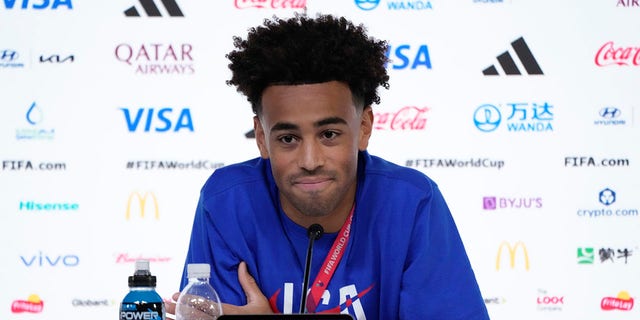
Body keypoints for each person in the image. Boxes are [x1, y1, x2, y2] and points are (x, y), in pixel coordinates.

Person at [166, 13, 490, 319]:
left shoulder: (412, 202)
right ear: (262, 137)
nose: (310, 161)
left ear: (364, 127)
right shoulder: (226, 203)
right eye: (288, 139)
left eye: (329, 134)